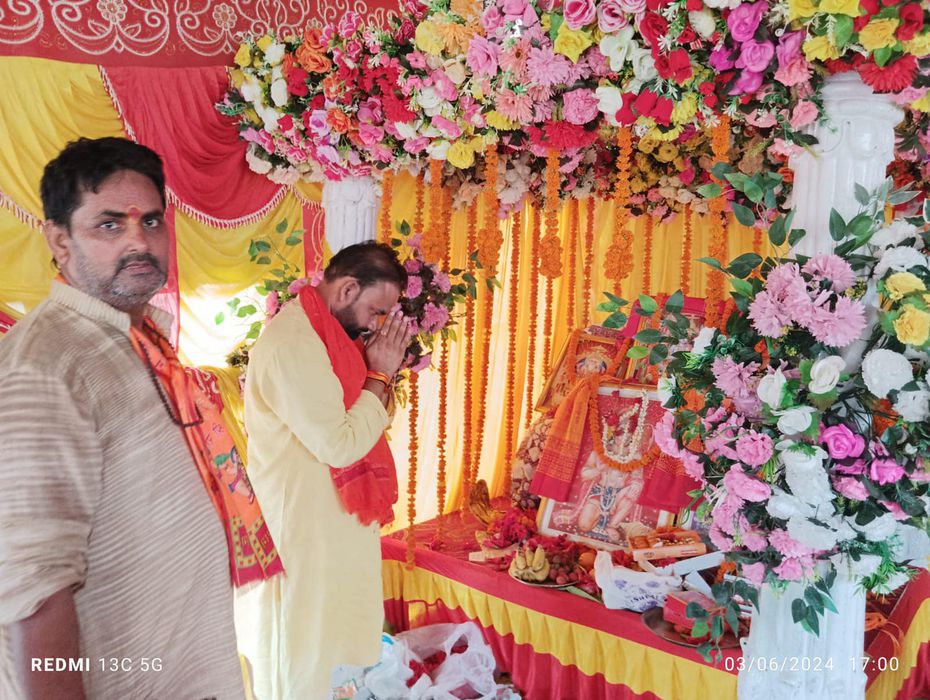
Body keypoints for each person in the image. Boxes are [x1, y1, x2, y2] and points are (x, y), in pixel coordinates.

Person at [0, 137, 282, 699]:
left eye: (151, 222)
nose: (139, 241)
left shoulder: (135, 336)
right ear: (59, 241)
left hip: (180, 665)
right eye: (109, 225)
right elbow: (31, 590)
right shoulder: (48, 364)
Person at [236, 242, 411, 699]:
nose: (376, 325)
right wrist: (381, 374)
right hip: (303, 531)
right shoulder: (294, 344)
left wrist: (379, 374)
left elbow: (366, 421)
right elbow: (340, 443)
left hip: (332, 528)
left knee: (333, 655)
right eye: (376, 311)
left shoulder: (331, 340)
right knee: (302, 653)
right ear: (348, 288)